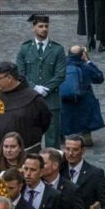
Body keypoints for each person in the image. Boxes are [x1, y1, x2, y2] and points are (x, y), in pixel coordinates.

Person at [15, 14, 65, 147]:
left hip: (51, 99)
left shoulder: (57, 49)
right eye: (40, 26)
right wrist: (34, 87)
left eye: (46, 26)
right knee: (29, 136)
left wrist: (46, 88)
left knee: (53, 138)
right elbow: (20, 73)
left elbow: (61, 74)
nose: (44, 29)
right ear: (34, 28)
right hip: (30, 100)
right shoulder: (25, 48)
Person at [0, 62, 52, 153]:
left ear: (9, 78)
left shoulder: (33, 98)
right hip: (0, 158)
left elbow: (45, 120)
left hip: (26, 156)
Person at [59, 47, 105, 145]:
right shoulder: (85, 67)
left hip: (65, 101)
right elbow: (99, 78)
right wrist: (88, 61)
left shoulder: (61, 66)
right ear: (82, 55)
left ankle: (60, 136)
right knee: (85, 116)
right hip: (83, 101)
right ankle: (85, 137)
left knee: (64, 116)